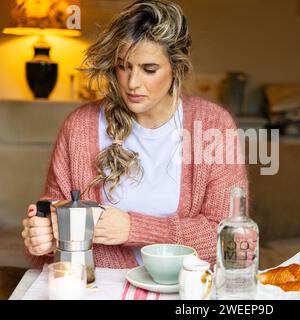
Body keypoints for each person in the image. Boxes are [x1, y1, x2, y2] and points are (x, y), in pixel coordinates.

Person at [21, 0, 248, 269]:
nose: (132, 83)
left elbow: (231, 238)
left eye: (149, 69)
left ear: (176, 68)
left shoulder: (213, 126)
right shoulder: (80, 126)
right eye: (123, 66)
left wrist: (134, 229)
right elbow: (55, 212)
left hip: (185, 291)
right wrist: (44, 236)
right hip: (98, 290)